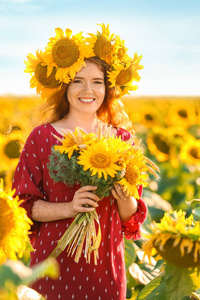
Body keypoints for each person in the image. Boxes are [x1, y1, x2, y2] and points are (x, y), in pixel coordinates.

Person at [13, 24, 147, 300]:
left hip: (105, 269)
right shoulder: (42, 137)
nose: (88, 90)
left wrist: (124, 198)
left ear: (108, 88)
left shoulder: (122, 139)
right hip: (52, 265)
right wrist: (69, 207)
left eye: (97, 81)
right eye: (77, 80)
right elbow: (24, 205)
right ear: (65, 86)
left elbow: (130, 217)